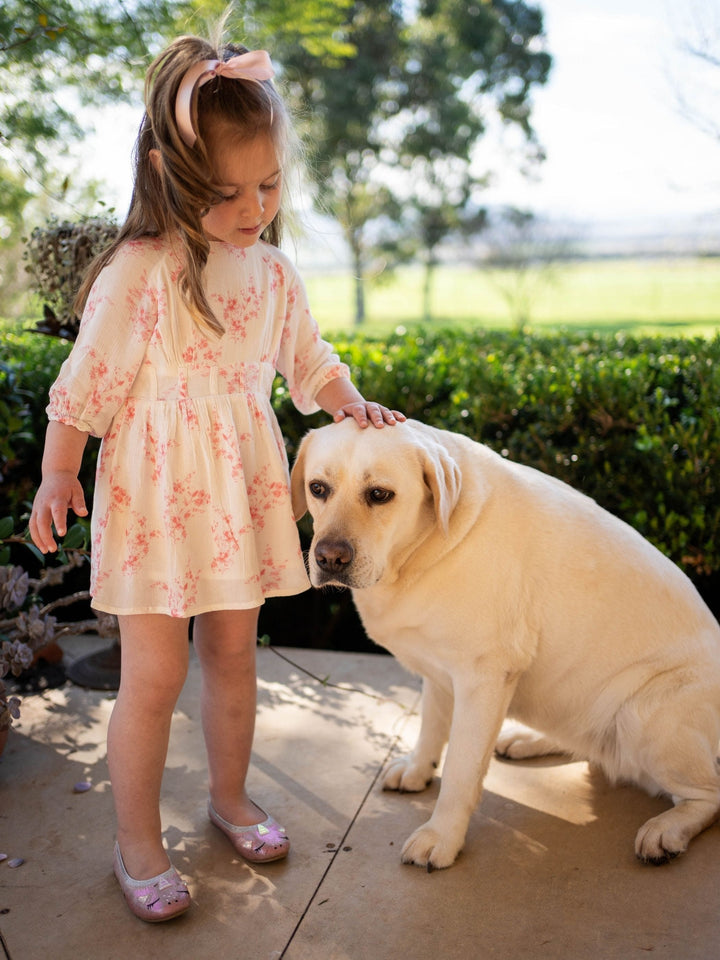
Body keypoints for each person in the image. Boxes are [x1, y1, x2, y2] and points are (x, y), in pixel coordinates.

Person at [29, 32, 405, 923]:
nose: (254, 207)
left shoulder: (273, 273)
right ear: (170, 174)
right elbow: (84, 390)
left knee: (234, 654)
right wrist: (56, 476)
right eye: (228, 191)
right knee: (154, 677)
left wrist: (353, 406)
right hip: (154, 503)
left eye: (269, 185)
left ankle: (230, 799)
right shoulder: (140, 273)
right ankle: (137, 843)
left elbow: (310, 365)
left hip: (235, 496)